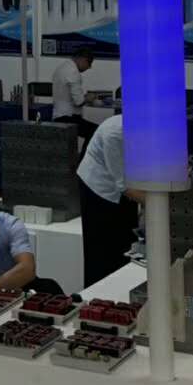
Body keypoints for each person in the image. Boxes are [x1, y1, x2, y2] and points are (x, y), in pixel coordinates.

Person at [76, 113, 142, 286]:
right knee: (103, 247)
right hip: (98, 188)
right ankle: (99, 290)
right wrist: (158, 205)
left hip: (124, 182)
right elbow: (124, 186)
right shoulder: (114, 134)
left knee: (127, 238)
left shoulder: (148, 129)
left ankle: (124, 282)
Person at [50, 51, 96, 140]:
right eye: (89, 63)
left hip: (58, 115)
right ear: (83, 60)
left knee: (90, 131)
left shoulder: (62, 67)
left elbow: (68, 94)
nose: (89, 67)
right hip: (67, 118)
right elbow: (79, 102)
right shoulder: (74, 72)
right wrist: (88, 98)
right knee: (95, 131)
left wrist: (83, 97)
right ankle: (87, 150)